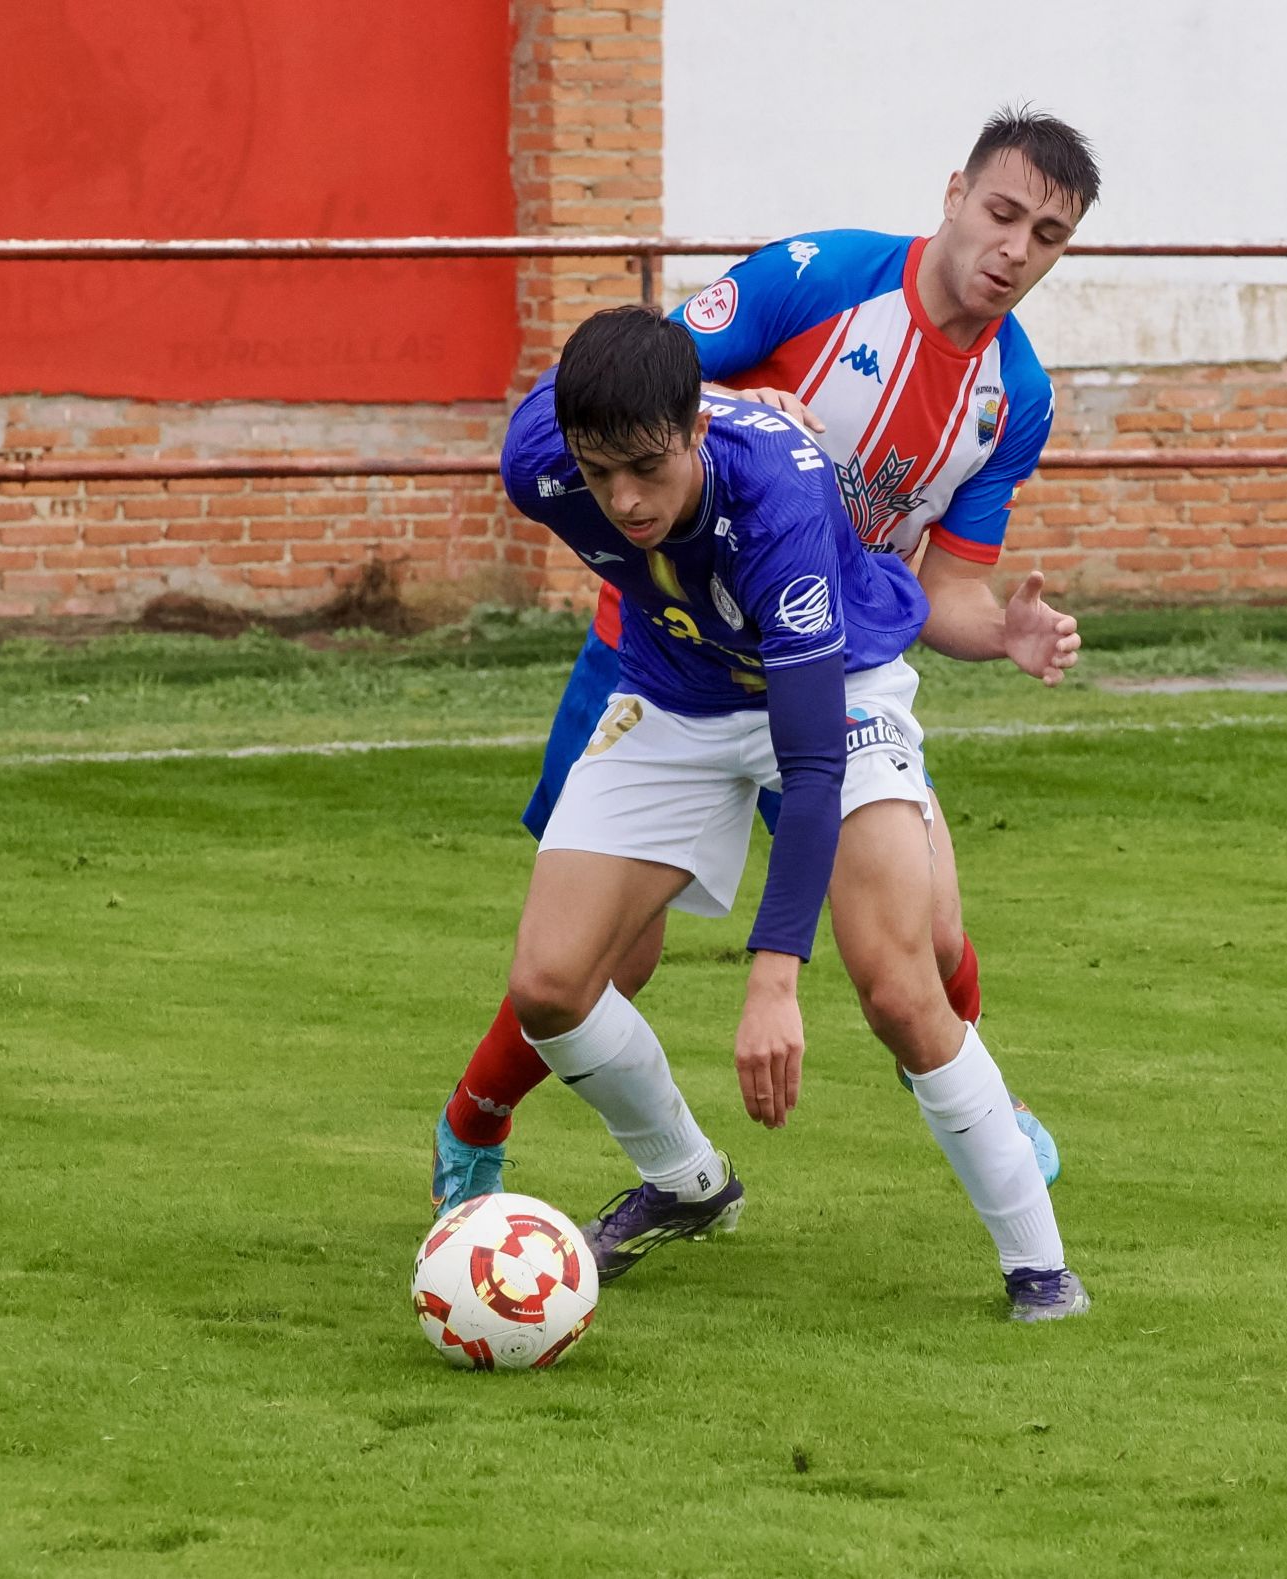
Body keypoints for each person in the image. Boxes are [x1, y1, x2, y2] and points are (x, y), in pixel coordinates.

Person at [438, 105, 1099, 1214]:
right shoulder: (819, 275)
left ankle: (987, 1097)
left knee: (928, 936)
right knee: (607, 961)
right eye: (1001, 214)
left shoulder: (1012, 398)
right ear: (953, 193)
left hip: (825, 670)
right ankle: (477, 1121)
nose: (1014, 251)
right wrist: (746, 409)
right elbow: (633, 390)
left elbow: (943, 590)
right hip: (669, 653)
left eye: (1046, 236)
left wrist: (1002, 631)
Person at [501, 304, 1087, 1319]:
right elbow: (600, 437)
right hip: (677, 692)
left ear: (691, 433)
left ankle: (1041, 1267)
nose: (625, 501)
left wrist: (774, 979)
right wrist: (718, 398)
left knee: (900, 985)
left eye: (649, 466)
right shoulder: (540, 459)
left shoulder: (781, 502)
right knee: (549, 986)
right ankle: (689, 1182)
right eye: (602, 475)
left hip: (835, 690)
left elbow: (810, 765)